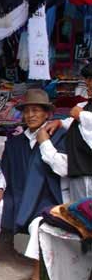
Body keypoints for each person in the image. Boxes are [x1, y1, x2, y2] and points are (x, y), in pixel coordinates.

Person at [0, 89, 67, 280]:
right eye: (27, 111)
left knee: (40, 224)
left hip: (46, 197)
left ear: (47, 114)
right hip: (19, 194)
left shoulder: (60, 137)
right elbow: (5, 170)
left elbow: (63, 168)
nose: (30, 115)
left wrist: (45, 142)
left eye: (36, 110)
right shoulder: (15, 142)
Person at [44, 63, 92, 200]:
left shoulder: (82, 111)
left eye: (90, 79)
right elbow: (76, 122)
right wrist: (60, 122)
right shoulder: (84, 106)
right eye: (87, 79)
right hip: (80, 173)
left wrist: (81, 115)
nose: (87, 83)